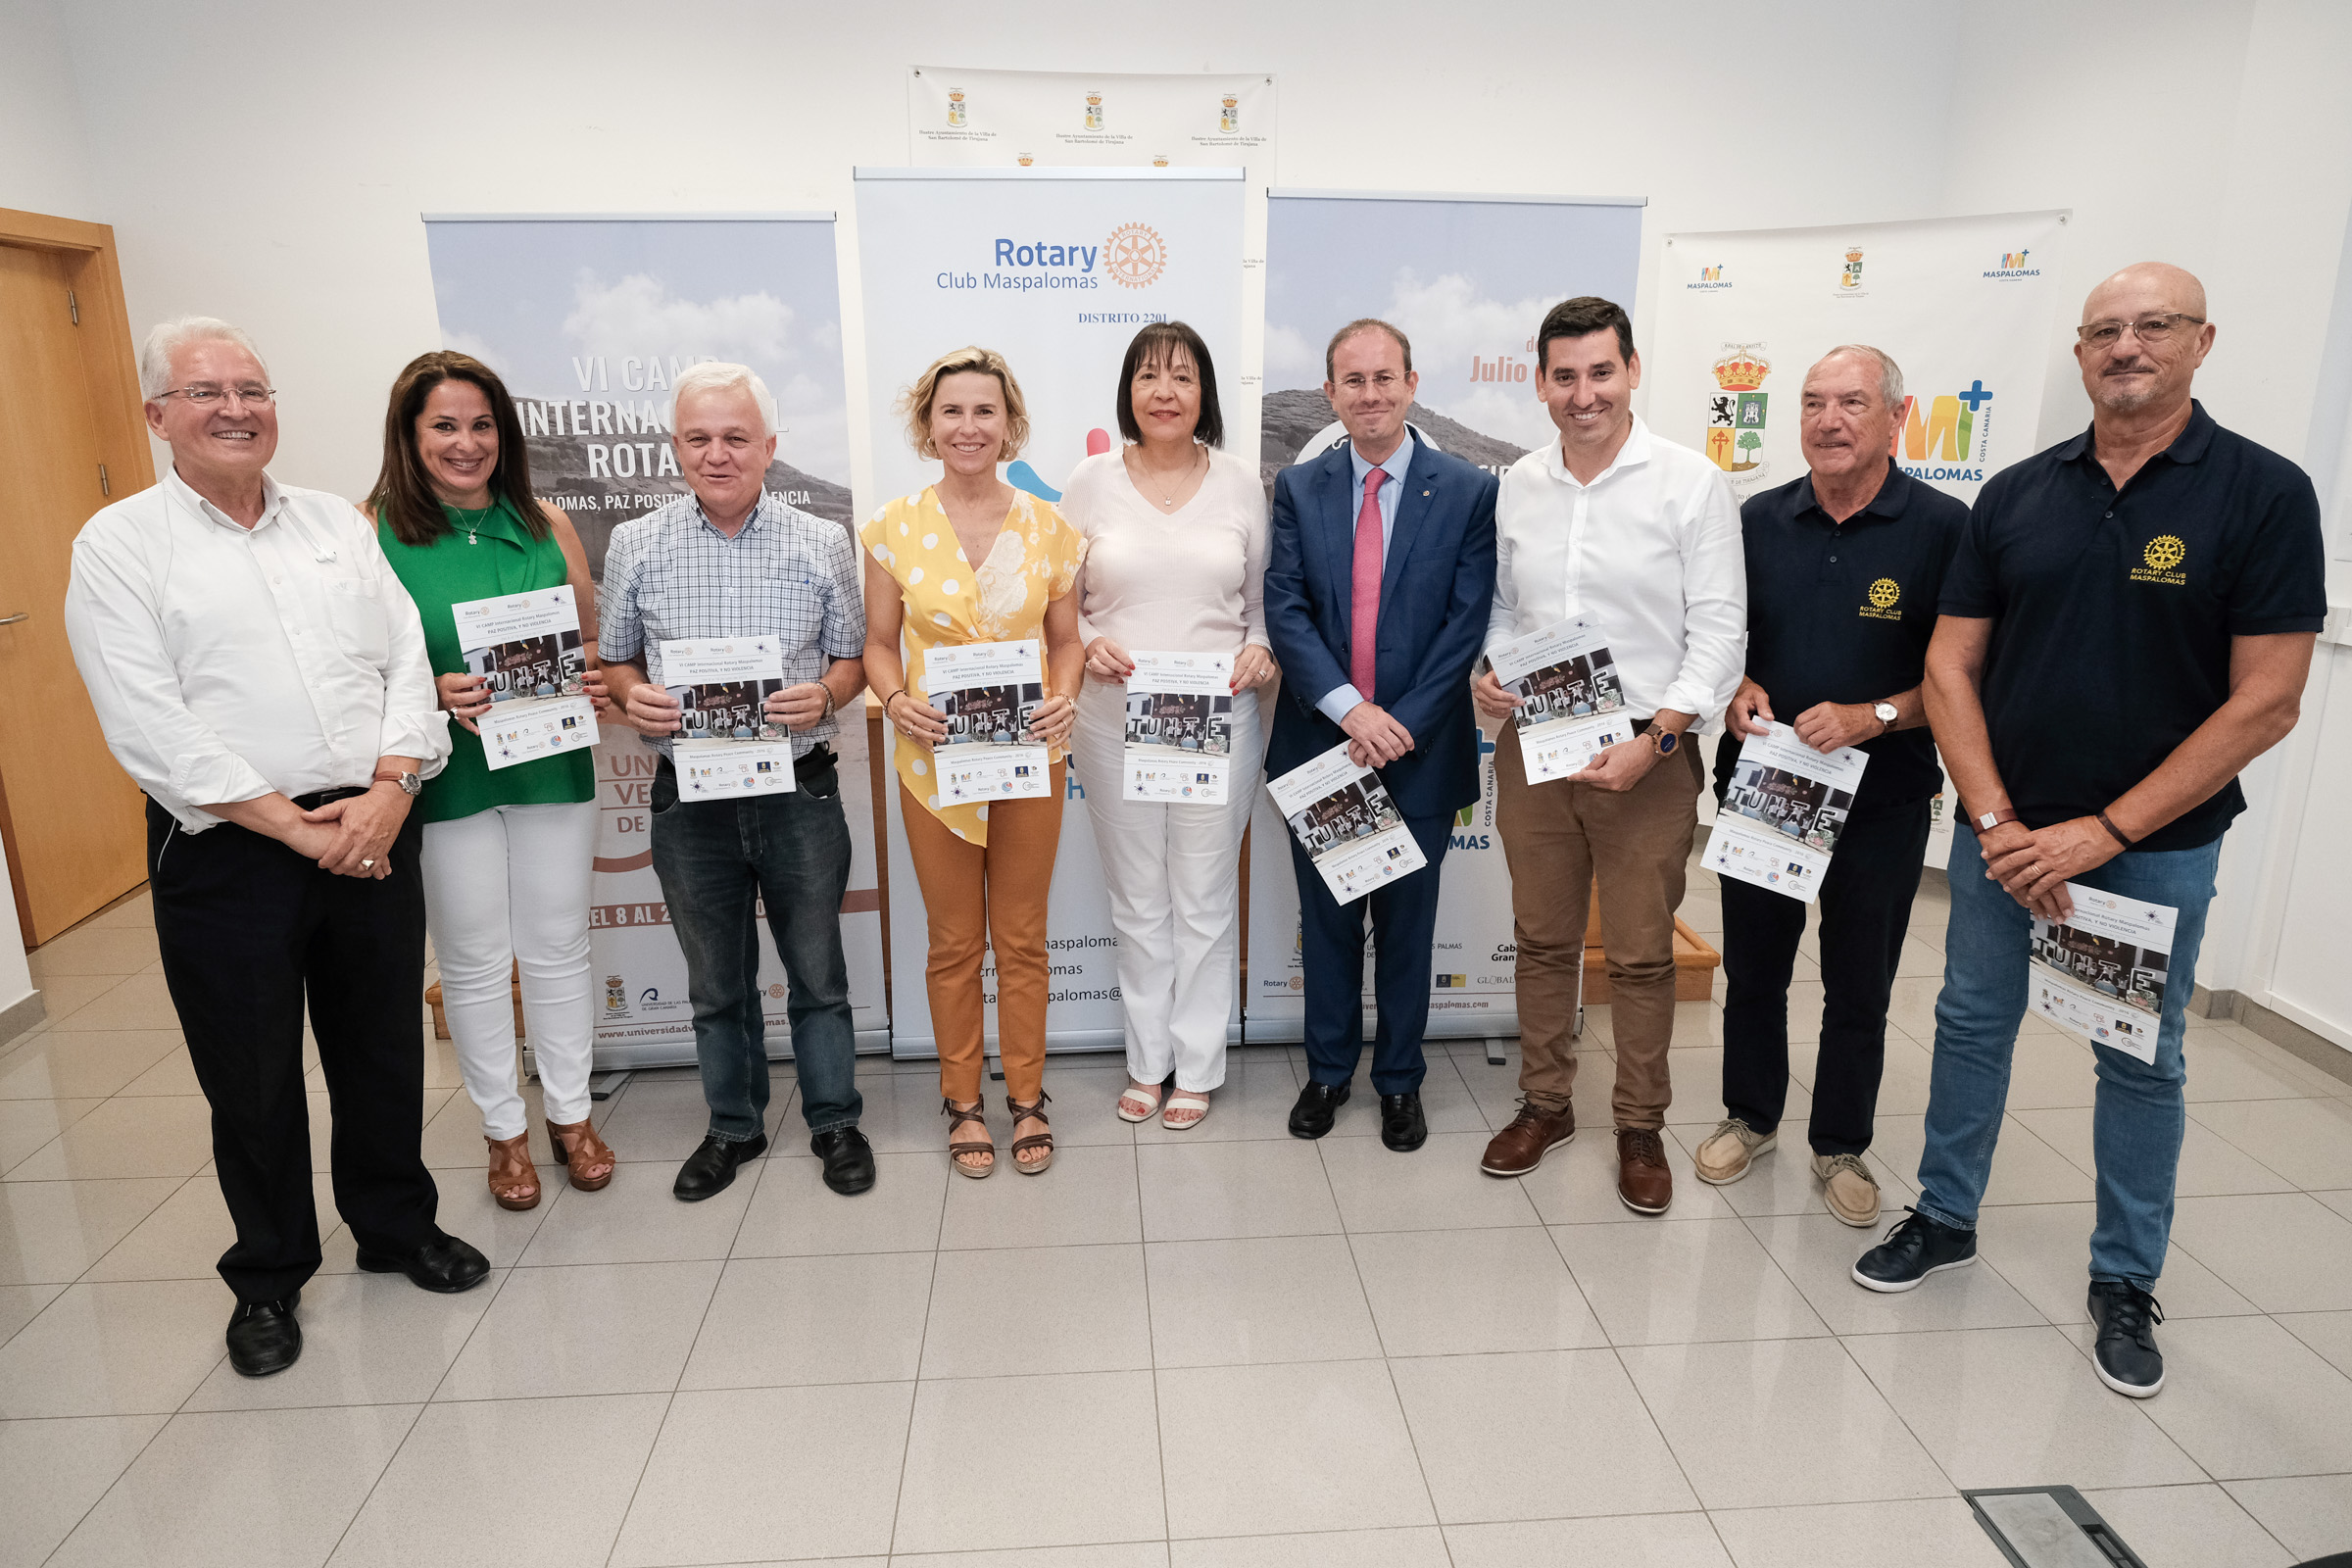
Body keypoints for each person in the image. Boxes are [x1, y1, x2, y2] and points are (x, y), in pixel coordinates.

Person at [1853, 264, 2323, 1400]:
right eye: (2105, 330)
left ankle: (2124, 1278)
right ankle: (1946, 1213)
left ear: (2202, 341)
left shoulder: (2263, 493)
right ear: (2078, 354)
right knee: (1972, 1023)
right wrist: (1998, 819)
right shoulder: (2019, 494)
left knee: (2138, 1055)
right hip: (2003, 837)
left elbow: (2267, 700)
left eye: (2153, 325)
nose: (2126, 346)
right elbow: (1950, 667)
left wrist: (2102, 831)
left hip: (2152, 851)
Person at [65, 318, 486, 1379]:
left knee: (381, 1047)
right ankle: (268, 1274)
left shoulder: (335, 523)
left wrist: (391, 789)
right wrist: (295, 827)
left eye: (252, 389)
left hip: (372, 825)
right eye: (206, 392)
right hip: (231, 847)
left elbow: (404, 659)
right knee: (249, 1074)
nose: (236, 409)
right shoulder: (119, 545)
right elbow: (148, 720)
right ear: (158, 414)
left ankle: (395, 1226)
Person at [1472, 296, 1745, 1213]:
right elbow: (1505, 607)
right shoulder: (1520, 483)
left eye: (1600, 372)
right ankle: (1546, 1105)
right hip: (1538, 742)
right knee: (1544, 940)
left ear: (1632, 371)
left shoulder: (1690, 484)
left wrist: (1657, 739)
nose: (1583, 394)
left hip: (1648, 748)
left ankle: (1638, 1123)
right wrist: (1492, 671)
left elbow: (1720, 635)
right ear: (1540, 382)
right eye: (1565, 376)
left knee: (1638, 954)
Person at [1693, 346, 1967, 1227]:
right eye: (1814, 402)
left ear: (1897, 416)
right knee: (1755, 969)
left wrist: (1873, 716)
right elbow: (1720, 636)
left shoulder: (1944, 528)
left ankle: (1841, 1142)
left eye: (1852, 402)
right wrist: (1735, 686)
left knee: (1860, 985)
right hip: (1768, 788)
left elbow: (1966, 673)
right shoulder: (1757, 519)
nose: (1829, 420)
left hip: (1883, 798)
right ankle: (1749, 1116)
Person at [599, 363, 874, 1201]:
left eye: (735, 438)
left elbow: (853, 660)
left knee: (818, 976)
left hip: (798, 792)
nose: (717, 454)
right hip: (689, 801)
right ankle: (733, 1126)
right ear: (675, 447)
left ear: (769, 446)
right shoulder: (635, 543)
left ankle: (835, 1121)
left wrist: (825, 694)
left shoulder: (823, 540)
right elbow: (615, 663)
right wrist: (632, 697)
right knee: (716, 983)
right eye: (699, 438)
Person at [366, 351, 612, 1212]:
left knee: (558, 946)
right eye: (444, 426)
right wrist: (430, 690)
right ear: (409, 435)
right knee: (472, 960)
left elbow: (588, 641)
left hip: (551, 762)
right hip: (447, 772)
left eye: (481, 425)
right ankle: (504, 1132)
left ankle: (571, 1117)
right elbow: (353, 669)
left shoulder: (548, 522)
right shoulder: (369, 533)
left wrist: (588, 677)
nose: (466, 443)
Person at [1264, 319, 1498, 1152]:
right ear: (1330, 392)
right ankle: (1328, 1072)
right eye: (1353, 381)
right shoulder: (1300, 488)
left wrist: (1398, 723)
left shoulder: (1466, 489)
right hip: (1323, 744)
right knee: (1328, 923)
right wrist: (1350, 712)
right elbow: (1285, 608)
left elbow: (1465, 622)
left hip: (1421, 750)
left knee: (1407, 928)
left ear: (1411, 384)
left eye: (1384, 378)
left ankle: (1400, 1081)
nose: (1370, 395)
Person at [862, 347, 1084, 1177]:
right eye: (951, 411)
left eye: (984, 411)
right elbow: (878, 644)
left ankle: (1026, 1097)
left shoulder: (1052, 530)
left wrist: (1064, 694)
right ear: (928, 425)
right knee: (954, 942)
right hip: (934, 763)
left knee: (1022, 937)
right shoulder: (892, 528)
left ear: (1009, 423)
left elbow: (1067, 643)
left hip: (1030, 757)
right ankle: (962, 1100)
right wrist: (894, 699)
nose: (968, 427)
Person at [1062, 322, 1276, 1131]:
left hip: (1218, 715)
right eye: (1149, 376)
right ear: (1129, 392)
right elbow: (1062, 606)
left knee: (1205, 895)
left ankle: (1199, 1065)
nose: (1165, 392)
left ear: (1204, 394)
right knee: (1138, 897)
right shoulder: (1089, 482)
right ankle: (1146, 1062)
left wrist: (1259, 649)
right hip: (1114, 717)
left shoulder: (1240, 484)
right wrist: (1090, 642)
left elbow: (1259, 605)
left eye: (1182, 377)